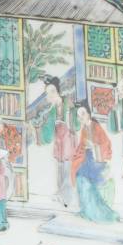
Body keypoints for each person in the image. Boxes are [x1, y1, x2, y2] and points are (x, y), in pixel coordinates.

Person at [71, 102, 118, 222]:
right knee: (79, 177)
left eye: (83, 114)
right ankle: (85, 210)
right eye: (78, 116)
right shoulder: (84, 129)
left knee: (86, 180)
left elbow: (106, 143)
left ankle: (94, 212)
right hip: (87, 159)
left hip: (97, 160)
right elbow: (81, 147)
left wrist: (93, 146)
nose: (80, 117)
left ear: (89, 114)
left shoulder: (96, 127)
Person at [33, 75, 74, 207]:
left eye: (52, 91)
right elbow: (48, 130)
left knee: (67, 168)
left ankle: (67, 197)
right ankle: (60, 193)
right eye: (47, 93)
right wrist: (39, 128)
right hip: (59, 142)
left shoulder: (68, 103)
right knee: (60, 167)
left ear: (58, 91)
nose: (50, 95)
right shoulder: (52, 110)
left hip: (69, 140)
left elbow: (75, 123)